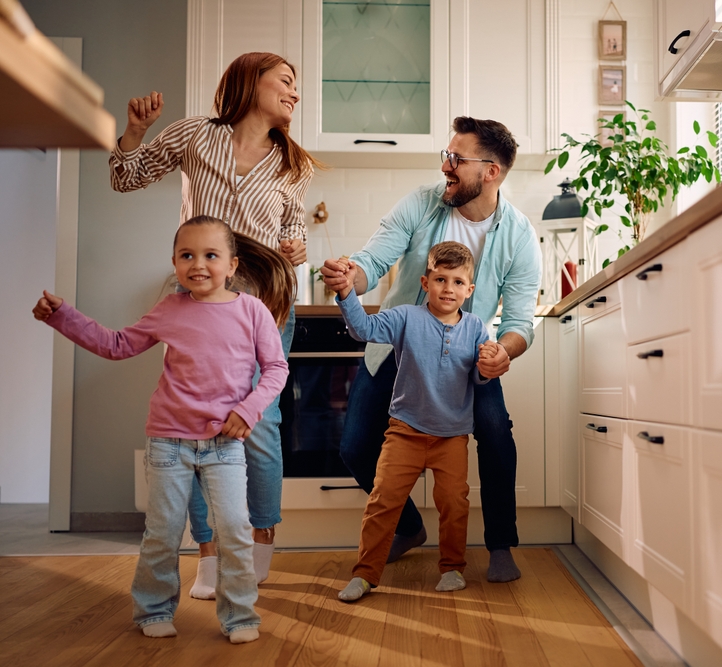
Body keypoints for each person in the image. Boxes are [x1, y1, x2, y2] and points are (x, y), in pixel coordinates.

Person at [109, 52, 321, 598]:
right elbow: (125, 178)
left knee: (260, 424)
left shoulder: (293, 163)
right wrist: (135, 132)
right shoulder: (196, 136)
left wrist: (298, 246)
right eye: (286, 81)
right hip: (199, 303)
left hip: (266, 302)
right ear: (251, 81)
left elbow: (294, 228)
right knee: (197, 423)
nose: (295, 93)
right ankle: (207, 552)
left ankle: (259, 540)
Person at [32, 216, 291, 643]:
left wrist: (248, 410)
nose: (198, 264)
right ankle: (152, 609)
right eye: (187, 255)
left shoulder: (252, 311)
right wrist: (63, 316)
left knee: (234, 530)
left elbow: (277, 368)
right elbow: (116, 345)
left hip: (225, 445)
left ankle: (240, 616)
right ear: (174, 263)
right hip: (169, 444)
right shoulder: (170, 308)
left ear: (232, 264)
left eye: (211, 255)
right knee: (163, 532)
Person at [321, 117, 542, 583]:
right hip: (398, 349)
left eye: (456, 159)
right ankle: (408, 527)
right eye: (446, 155)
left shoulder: (520, 235)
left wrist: (502, 352)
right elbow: (372, 261)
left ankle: (501, 545)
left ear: (491, 172)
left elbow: (520, 322)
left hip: (470, 358)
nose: (446, 166)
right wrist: (349, 277)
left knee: (496, 434)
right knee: (356, 448)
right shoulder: (421, 203)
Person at [333, 242, 498, 601]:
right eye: (441, 279)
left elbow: (478, 377)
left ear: (469, 290)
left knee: (454, 503)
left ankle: (452, 568)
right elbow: (362, 329)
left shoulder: (476, 329)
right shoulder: (405, 317)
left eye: (457, 282)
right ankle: (364, 574)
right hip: (405, 431)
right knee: (383, 501)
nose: (448, 289)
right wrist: (346, 293)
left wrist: (487, 368)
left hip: (452, 436)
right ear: (425, 283)